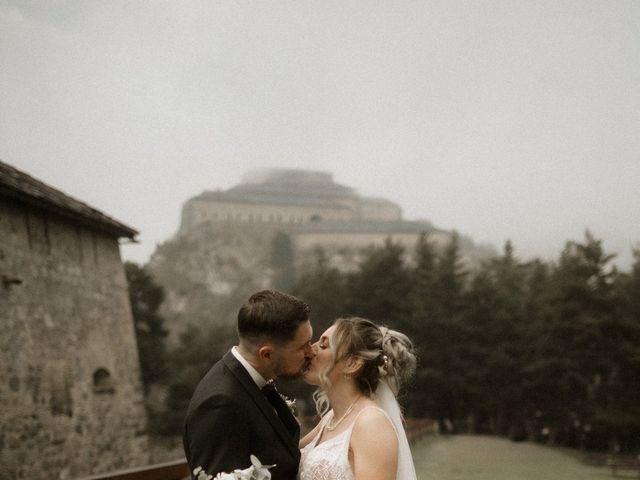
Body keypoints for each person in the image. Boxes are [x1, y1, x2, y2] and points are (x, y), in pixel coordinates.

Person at [183, 290, 315, 480]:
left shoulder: (253, 381)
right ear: (266, 354)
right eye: (303, 346)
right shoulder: (219, 405)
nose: (311, 352)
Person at [298, 317, 417, 480]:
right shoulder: (331, 418)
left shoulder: (371, 422)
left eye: (323, 346)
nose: (311, 350)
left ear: (352, 364)